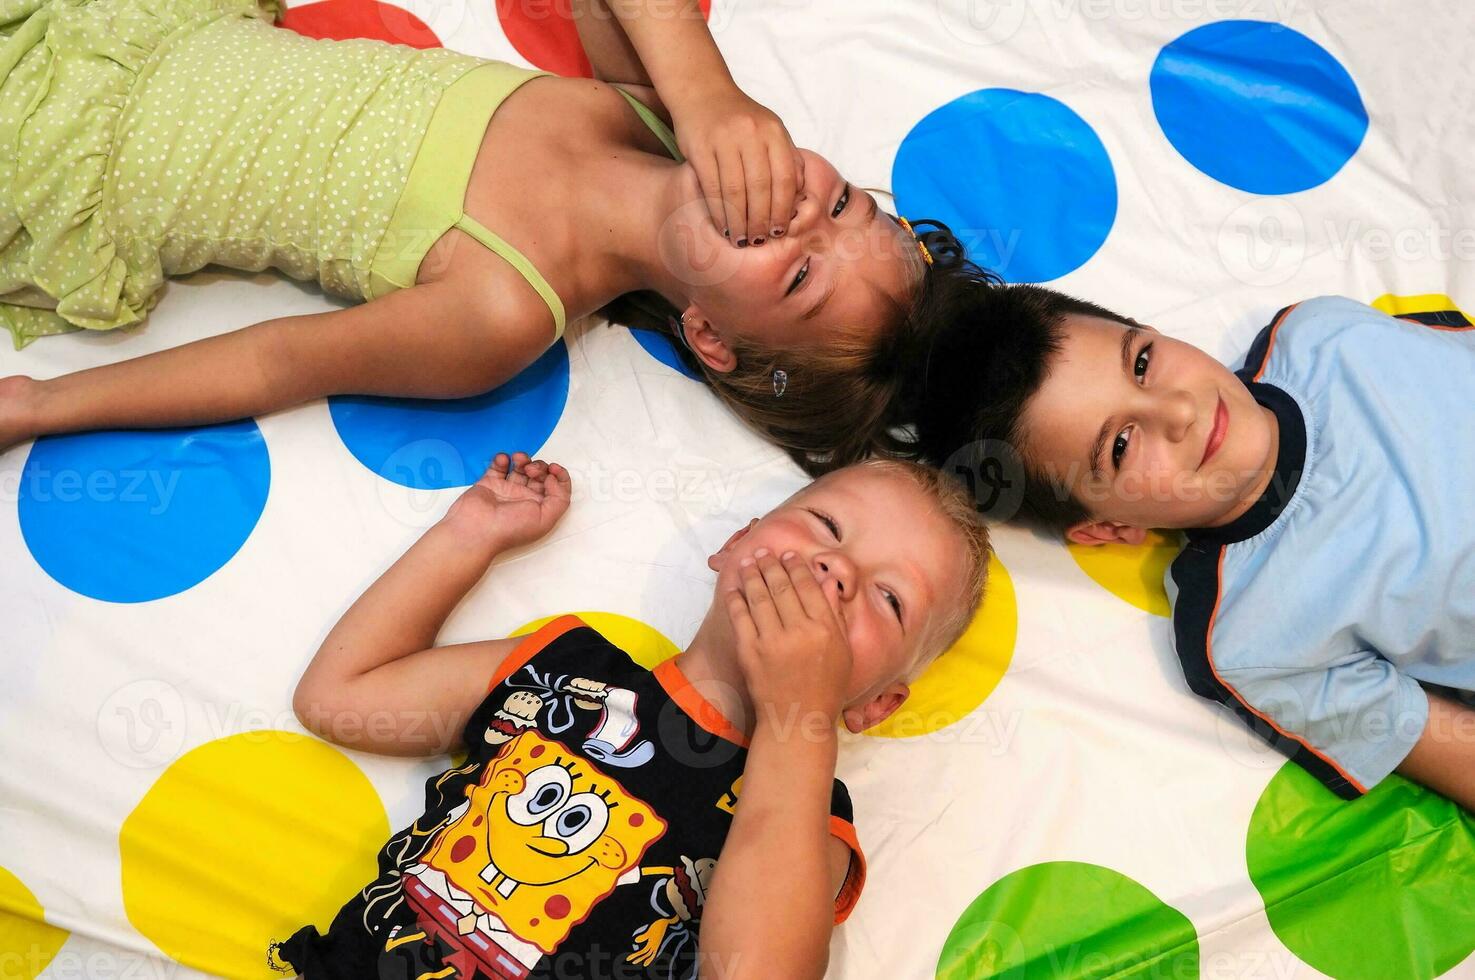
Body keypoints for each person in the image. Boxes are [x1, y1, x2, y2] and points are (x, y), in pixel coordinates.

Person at [0, 0, 981, 467]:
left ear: (714, 340)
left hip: (69, 151)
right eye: (844, 204)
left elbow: (276, 360)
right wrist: (705, 93)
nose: (796, 210)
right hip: (140, 31)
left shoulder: (507, 307)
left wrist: (39, 405)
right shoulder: (641, 111)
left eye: (802, 269)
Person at [271, 451, 990, 978]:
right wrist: (469, 537)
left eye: (888, 599)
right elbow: (340, 695)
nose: (838, 569)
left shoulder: (808, 813)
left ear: (875, 705)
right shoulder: (567, 670)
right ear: (737, 544)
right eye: (826, 525)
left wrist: (796, 714)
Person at [904, 285, 1475, 812]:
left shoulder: (1317, 329)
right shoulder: (1248, 635)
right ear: (1107, 528)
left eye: (1143, 363)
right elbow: (1446, 747)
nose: (1178, 412)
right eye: (1122, 445)